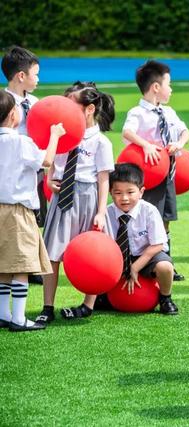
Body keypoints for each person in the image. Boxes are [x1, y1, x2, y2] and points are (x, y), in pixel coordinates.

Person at [35, 82, 115, 323]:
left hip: (87, 197)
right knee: (52, 254)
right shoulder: (62, 135)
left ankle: (87, 305)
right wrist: (49, 182)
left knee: (91, 254)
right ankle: (47, 307)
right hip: (63, 198)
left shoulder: (101, 142)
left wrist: (101, 212)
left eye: (72, 104)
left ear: (89, 109)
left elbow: (103, 180)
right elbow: (53, 163)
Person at [0, 90, 64, 331]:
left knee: (3, 264)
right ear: (13, 114)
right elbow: (46, 162)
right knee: (22, 265)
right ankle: (18, 318)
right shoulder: (20, 142)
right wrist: (55, 135)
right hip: (18, 211)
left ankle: (3, 313)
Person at [122, 60, 189, 282]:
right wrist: (146, 145)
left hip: (167, 175)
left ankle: (166, 262)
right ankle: (137, 261)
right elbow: (127, 132)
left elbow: (186, 132)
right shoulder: (137, 112)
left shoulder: (169, 112)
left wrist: (179, 144)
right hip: (148, 178)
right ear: (155, 87)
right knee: (145, 218)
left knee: (165, 220)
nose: (171, 89)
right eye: (168, 84)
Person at [104, 163, 179, 314]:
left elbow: (157, 245)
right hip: (118, 258)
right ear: (110, 192)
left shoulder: (149, 211)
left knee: (165, 266)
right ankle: (102, 295)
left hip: (147, 255)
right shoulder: (106, 213)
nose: (124, 198)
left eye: (130, 192)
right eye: (118, 193)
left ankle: (166, 298)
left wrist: (135, 267)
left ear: (141, 192)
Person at [1, 46, 48, 263]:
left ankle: (31, 262)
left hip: (35, 164)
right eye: (35, 73)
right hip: (11, 169)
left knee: (35, 214)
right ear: (21, 75)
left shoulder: (36, 103)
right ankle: (16, 263)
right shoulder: (4, 103)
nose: (38, 78)